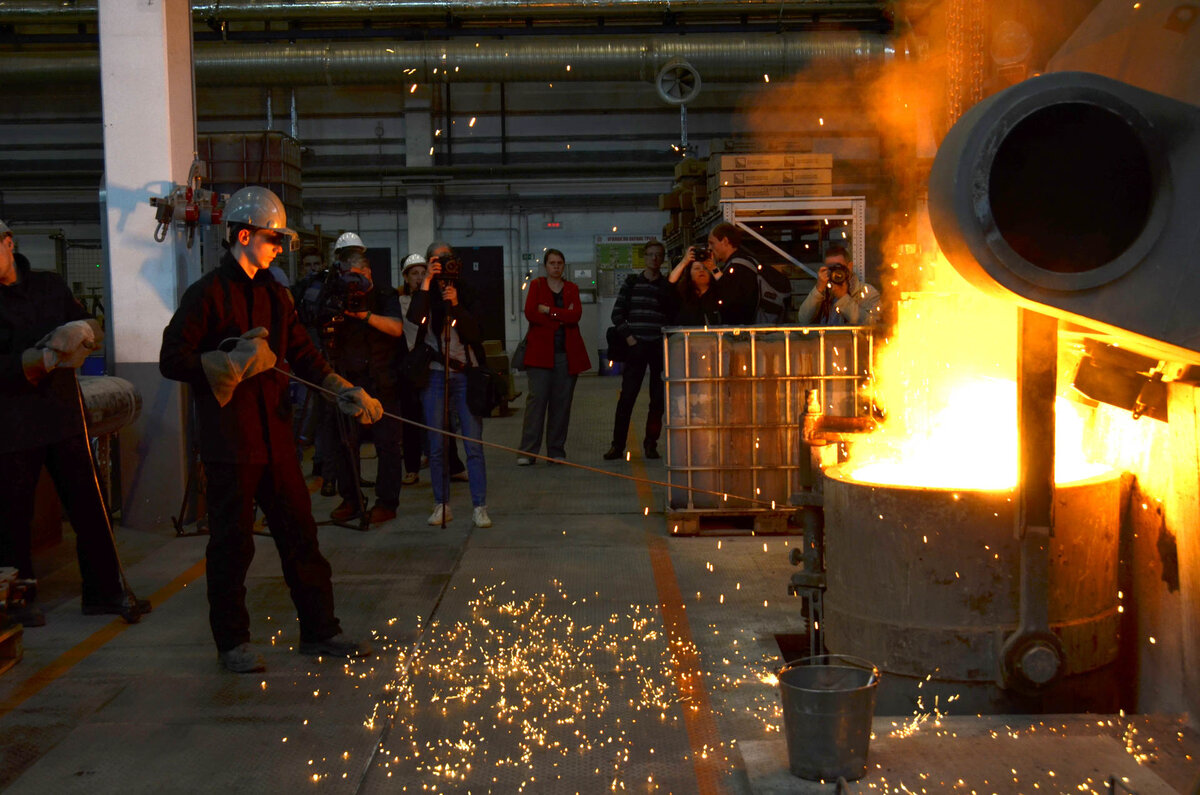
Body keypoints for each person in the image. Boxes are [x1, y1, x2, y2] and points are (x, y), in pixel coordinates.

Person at [159, 186, 380, 674]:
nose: (278, 247)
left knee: (301, 536)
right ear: (243, 236)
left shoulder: (276, 296)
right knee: (232, 545)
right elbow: (171, 359)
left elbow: (301, 352)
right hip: (230, 442)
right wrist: (225, 363)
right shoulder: (206, 296)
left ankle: (321, 630)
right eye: (271, 238)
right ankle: (232, 641)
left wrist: (340, 388)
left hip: (276, 438)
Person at [0, 220, 150, 627]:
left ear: (9, 243)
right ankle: (19, 598)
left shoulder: (49, 286)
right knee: (12, 516)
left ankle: (103, 591)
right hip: (12, 425)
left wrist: (82, 329)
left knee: (90, 506)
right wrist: (35, 362)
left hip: (64, 417)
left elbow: (92, 329)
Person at [405, 241, 492, 528]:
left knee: (473, 444)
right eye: (437, 259)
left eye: (447, 259)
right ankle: (441, 504)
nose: (443, 263)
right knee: (437, 444)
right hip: (434, 374)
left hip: (466, 373)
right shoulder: (426, 293)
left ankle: (479, 506)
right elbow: (414, 320)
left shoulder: (466, 290)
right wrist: (428, 281)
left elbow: (476, 332)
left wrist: (455, 304)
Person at [323, 249, 407, 525]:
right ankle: (351, 498)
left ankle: (387, 502)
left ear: (369, 273)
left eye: (361, 275)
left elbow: (396, 328)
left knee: (388, 445)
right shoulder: (337, 296)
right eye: (351, 276)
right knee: (345, 443)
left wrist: (364, 315)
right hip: (349, 380)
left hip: (383, 381)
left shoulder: (384, 295)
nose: (355, 283)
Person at [516, 249, 591, 465]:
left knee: (561, 404)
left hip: (566, 356)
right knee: (536, 402)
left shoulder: (572, 288)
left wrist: (548, 311)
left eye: (559, 263)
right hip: (539, 356)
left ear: (563, 266)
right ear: (546, 266)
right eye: (552, 263)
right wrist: (561, 316)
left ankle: (556, 450)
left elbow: (575, 315)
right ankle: (528, 451)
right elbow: (531, 312)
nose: (556, 266)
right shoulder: (537, 286)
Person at [603, 239, 672, 461]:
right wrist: (630, 338)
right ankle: (617, 445)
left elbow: (673, 315)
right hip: (637, 347)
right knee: (627, 398)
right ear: (644, 257)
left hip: (658, 349)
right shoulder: (632, 283)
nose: (654, 258)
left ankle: (651, 444)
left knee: (657, 399)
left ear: (662, 258)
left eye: (658, 255)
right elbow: (617, 314)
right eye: (651, 254)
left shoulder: (666, 286)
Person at [795, 244, 881, 326]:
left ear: (849, 266)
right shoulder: (823, 291)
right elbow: (803, 319)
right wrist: (818, 289)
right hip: (825, 340)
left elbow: (871, 325)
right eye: (831, 268)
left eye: (839, 267)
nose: (836, 272)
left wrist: (843, 298)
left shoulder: (867, 292)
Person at [705, 223, 760, 326]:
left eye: (712, 243)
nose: (709, 248)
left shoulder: (739, 267)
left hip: (741, 329)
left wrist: (713, 269)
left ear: (725, 241)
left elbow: (728, 295)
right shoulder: (740, 262)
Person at [667, 245, 724, 326]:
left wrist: (713, 267)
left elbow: (726, 285)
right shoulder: (682, 295)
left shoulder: (717, 293)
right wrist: (684, 262)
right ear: (690, 273)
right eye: (697, 268)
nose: (701, 271)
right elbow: (670, 283)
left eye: (705, 268)